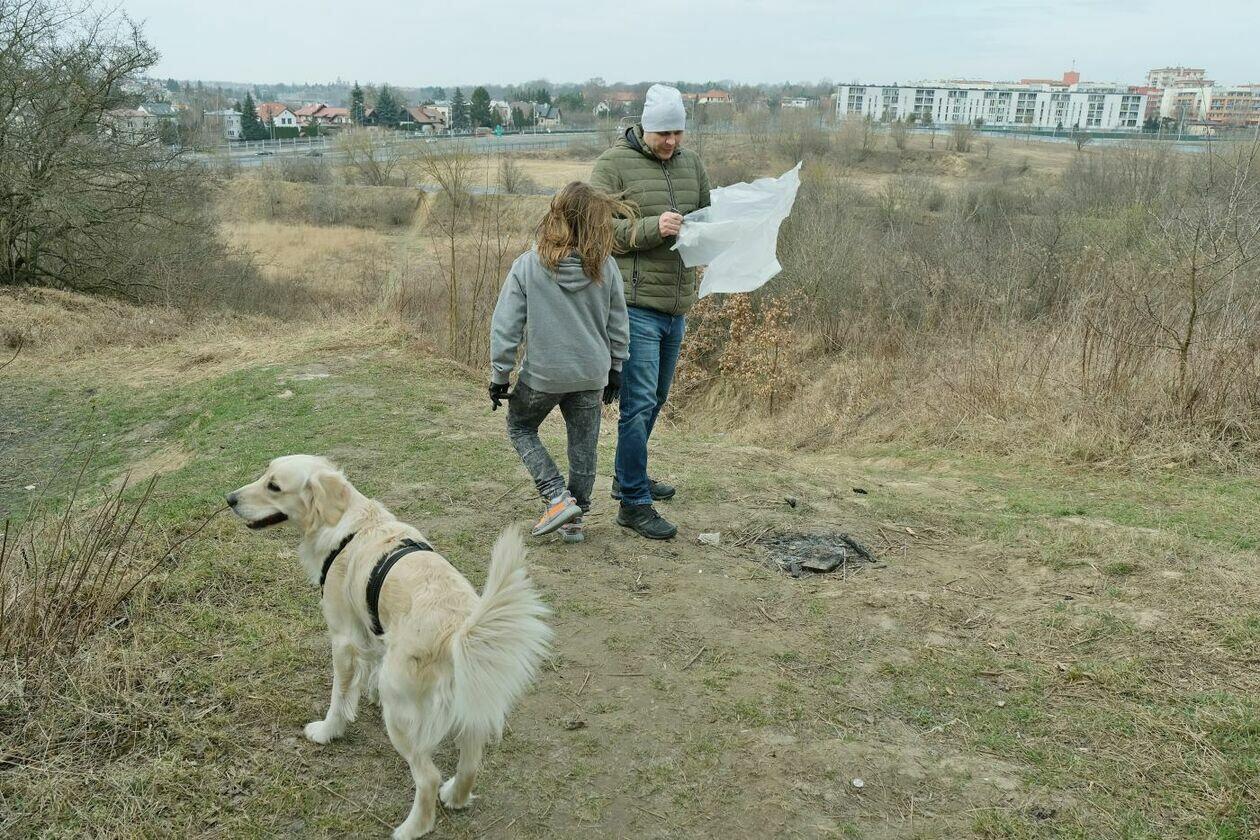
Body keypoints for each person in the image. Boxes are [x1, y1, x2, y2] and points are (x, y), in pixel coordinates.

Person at [591, 84, 710, 540]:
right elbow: (595, 228)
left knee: (655, 399)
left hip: (677, 303)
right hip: (634, 305)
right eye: (663, 133)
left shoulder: (691, 164)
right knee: (638, 404)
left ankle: (628, 476)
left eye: (677, 133)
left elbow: (706, 218)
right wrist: (650, 228)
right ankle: (633, 504)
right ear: (645, 127)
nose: (671, 142)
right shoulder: (613, 164)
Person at [489, 181, 631, 543]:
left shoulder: (528, 265)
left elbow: (506, 325)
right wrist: (616, 368)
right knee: (583, 447)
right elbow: (619, 322)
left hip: (544, 375)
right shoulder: (606, 267)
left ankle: (556, 497)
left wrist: (500, 375)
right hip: (591, 373)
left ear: (558, 216)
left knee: (520, 427)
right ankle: (574, 518)